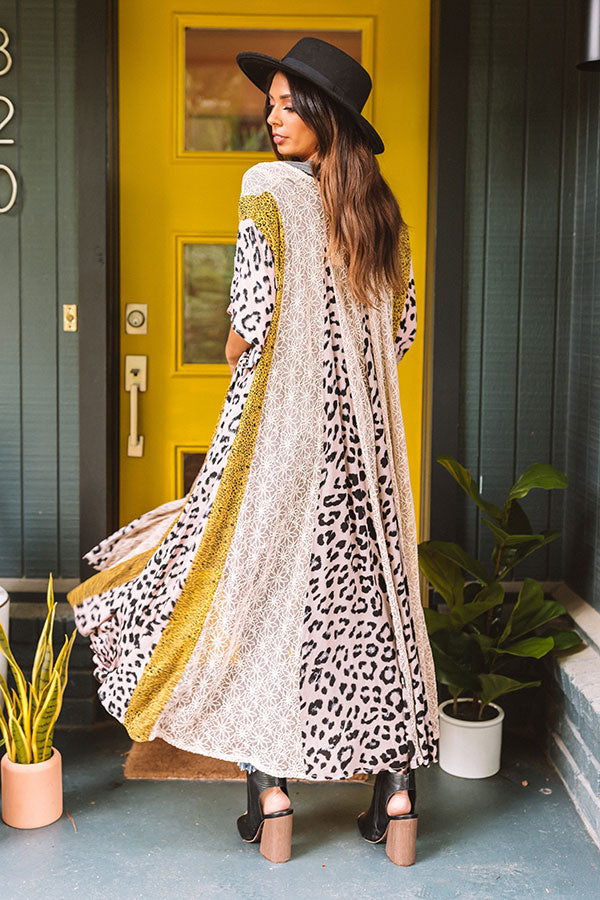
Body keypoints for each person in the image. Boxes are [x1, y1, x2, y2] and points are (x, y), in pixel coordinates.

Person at [67, 36, 439, 867]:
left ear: (326, 116)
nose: (271, 118)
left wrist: (241, 345)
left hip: (280, 448)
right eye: (269, 103)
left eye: (287, 104)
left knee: (256, 605)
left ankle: (271, 796)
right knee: (370, 624)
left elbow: (248, 321)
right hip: (370, 464)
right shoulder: (386, 218)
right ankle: (398, 796)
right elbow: (402, 333)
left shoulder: (266, 189)